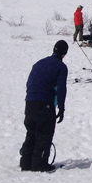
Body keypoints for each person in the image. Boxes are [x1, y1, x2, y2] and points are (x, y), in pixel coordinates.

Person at [19, 40, 68, 172]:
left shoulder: (38, 63)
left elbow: (29, 82)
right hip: (44, 104)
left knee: (31, 133)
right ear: (64, 53)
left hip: (29, 102)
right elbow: (61, 88)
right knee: (44, 134)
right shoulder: (60, 67)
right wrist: (61, 107)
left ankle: (25, 162)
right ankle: (39, 164)